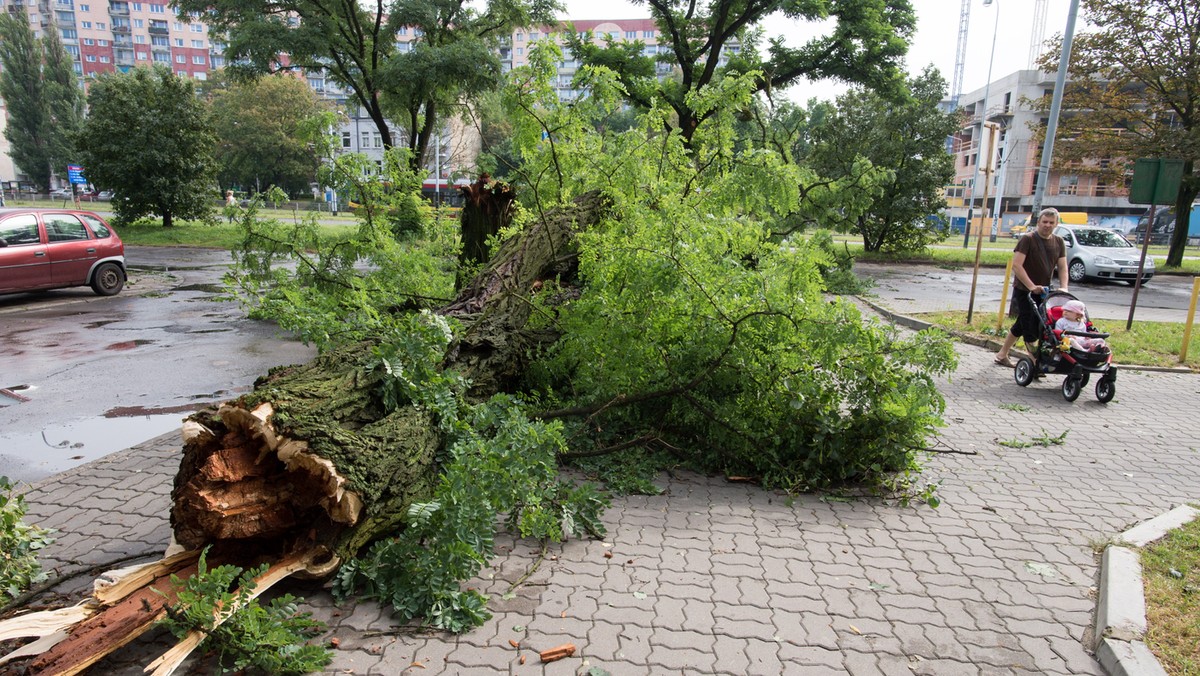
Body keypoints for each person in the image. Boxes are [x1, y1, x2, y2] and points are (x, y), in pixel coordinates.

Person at [994, 207, 1069, 366]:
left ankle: (1001, 354)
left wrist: (1064, 287)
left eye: (1051, 222)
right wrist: (1031, 286)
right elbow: (1017, 265)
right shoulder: (1028, 239)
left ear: (1056, 224)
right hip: (1024, 290)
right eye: (1044, 222)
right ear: (1039, 222)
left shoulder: (1058, 242)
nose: (1047, 225)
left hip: (1044, 292)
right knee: (1030, 327)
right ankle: (1036, 362)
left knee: (1022, 323)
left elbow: (1062, 267)